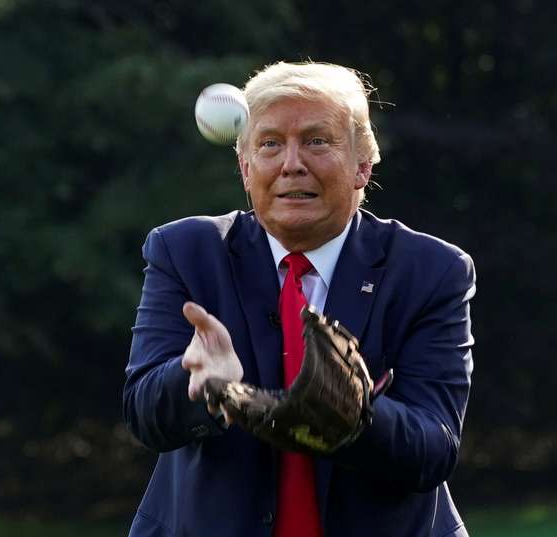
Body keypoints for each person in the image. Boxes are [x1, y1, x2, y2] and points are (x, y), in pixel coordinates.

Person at [123, 61, 476, 537]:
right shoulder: (185, 252)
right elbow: (145, 414)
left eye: (317, 141)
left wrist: (354, 417)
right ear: (246, 169)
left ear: (362, 166)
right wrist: (197, 383)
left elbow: (434, 450)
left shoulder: (431, 271)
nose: (292, 163)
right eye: (270, 144)